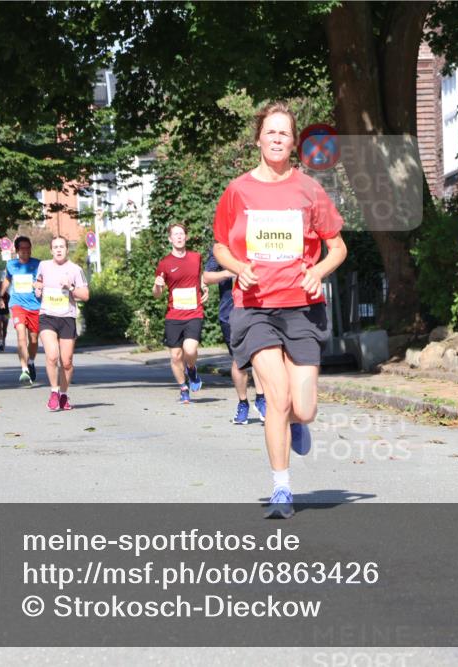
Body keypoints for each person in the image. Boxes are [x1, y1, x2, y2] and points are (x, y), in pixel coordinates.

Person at [212, 102, 347, 518]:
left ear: (293, 144)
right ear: (258, 139)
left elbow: (337, 247)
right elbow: (220, 246)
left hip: (301, 308)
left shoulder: (309, 190)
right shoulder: (238, 190)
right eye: (269, 131)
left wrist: (318, 271)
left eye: (283, 133)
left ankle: (298, 423)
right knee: (277, 396)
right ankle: (282, 488)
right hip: (254, 308)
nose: (276, 138)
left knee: (303, 407)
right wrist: (238, 268)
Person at [204, 248, 266, 424]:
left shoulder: (257, 243)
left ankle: (261, 399)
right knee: (239, 361)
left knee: (259, 354)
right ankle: (243, 402)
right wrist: (228, 272)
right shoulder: (221, 248)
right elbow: (206, 277)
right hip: (230, 313)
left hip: (258, 308)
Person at [153, 223, 207, 405]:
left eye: (181, 234)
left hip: (194, 312)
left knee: (190, 350)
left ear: (186, 237)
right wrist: (157, 286)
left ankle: (191, 368)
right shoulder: (165, 263)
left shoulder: (196, 257)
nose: (179, 237)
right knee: (176, 356)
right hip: (174, 315)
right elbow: (157, 294)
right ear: (170, 239)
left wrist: (204, 286)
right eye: (175, 234)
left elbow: (200, 277)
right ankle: (183, 388)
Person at [34, 236, 89, 411]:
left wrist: (70, 287)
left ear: (67, 249)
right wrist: (37, 288)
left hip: (67, 318)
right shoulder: (43, 266)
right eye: (55, 247)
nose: (58, 250)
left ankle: (64, 394)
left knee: (67, 362)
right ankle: (54, 392)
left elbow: (85, 295)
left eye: (62, 247)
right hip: (47, 316)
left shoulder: (75, 270)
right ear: (51, 250)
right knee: (52, 356)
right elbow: (39, 282)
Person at [0, 237, 41, 385]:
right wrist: (1, 296)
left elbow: (44, 281)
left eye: (28, 248)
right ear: (17, 250)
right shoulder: (11, 264)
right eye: (22, 248)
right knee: (21, 337)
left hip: (35, 306)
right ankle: (24, 370)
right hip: (18, 305)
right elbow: (7, 280)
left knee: (34, 340)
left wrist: (39, 285)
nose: (26, 251)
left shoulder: (38, 264)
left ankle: (31, 362)